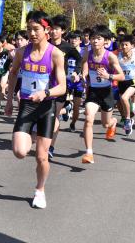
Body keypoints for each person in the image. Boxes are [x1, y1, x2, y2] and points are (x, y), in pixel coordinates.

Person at [4, 10, 66, 208]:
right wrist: (9, 100)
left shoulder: (55, 54)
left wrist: (45, 93)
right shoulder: (22, 52)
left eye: (36, 29)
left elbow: (63, 87)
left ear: (46, 30)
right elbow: (13, 73)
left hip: (46, 106)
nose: (31, 33)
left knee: (41, 156)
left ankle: (40, 190)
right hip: (26, 105)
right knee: (20, 152)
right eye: (29, 29)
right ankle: (30, 133)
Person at [80, 25, 125, 164]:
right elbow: (84, 65)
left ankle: (113, 123)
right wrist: (83, 75)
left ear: (105, 41)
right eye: (92, 38)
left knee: (105, 124)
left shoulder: (110, 56)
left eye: (98, 38)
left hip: (106, 92)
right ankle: (89, 153)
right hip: (93, 92)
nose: (94, 41)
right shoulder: (88, 53)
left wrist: (108, 75)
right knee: (88, 118)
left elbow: (122, 76)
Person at [48, 15, 82, 159]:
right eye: (51, 29)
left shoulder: (68, 47)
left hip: (60, 84)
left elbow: (79, 59)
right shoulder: (45, 44)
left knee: (53, 115)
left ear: (63, 31)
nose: (53, 32)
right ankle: (65, 109)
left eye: (56, 29)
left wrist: (77, 72)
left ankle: (50, 147)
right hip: (44, 83)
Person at [116, 34, 135, 135]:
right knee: (120, 103)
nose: (124, 47)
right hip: (122, 82)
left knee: (124, 98)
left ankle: (127, 120)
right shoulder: (118, 57)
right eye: (122, 45)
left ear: (131, 45)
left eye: (126, 45)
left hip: (133, 82)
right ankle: (128, 118)